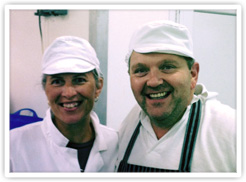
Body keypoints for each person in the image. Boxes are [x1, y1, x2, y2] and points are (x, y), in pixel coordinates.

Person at [116, 20, 236, 172]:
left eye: (167, 67)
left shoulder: (232, 129)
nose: (153, 82)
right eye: (140, 70)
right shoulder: (130, 122)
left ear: (193, 74)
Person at [10, 36, 118, 172]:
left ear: (98, 86)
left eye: (79, 80)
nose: (68, 93)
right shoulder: (12, 146)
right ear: (45, 88)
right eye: (57, 81)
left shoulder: (117, 144)